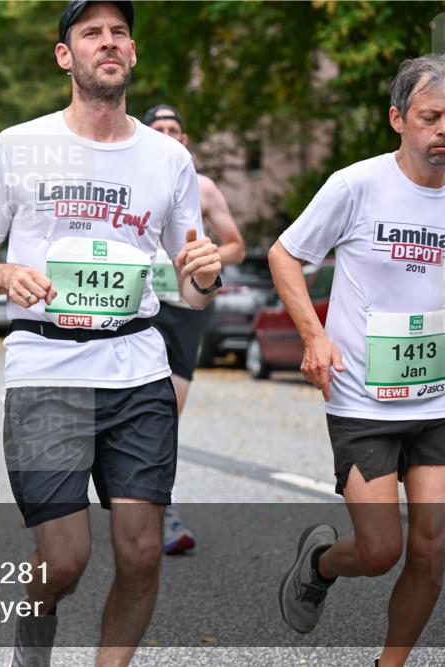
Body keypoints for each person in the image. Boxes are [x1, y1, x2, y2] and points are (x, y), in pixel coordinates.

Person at [0, 2, 222, 664]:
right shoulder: (18, 145)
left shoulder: (167, 159)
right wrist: (3, 273)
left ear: (132, 54)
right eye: (91, 33)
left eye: (119, 33)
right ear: (64, 55)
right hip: (45, 371)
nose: (108, 42)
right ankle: (35, 622)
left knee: (140, 550)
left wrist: (205, 273)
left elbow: (190, 286)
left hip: (137, 367)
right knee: (66, 558)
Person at [271, 52, 445, 667]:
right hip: (361, 400)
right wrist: (314, 337)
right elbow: (285, 255)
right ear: (398, 118)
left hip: (436, 398)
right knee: (379, 551)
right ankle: (319, 564)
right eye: (431, 116)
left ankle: (389, 664)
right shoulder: (356, 186)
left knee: (434, 548)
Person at [143, 103, 247, 555]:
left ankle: (162, 510)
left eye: (174, 129)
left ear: (184, 139)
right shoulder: (130, 179)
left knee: (167, 415)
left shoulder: (202, 187)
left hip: (185, 311)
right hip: (137, 308)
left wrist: (207, 260)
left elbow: (238, 245)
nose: (167, 134)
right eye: (158, 128)